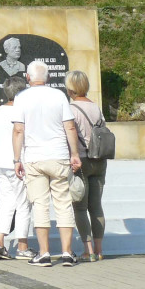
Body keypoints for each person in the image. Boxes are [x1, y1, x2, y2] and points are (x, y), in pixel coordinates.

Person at [12, 60, 82, 267]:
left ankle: (44, 253)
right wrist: (75, 154)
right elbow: (69, 127)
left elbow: (18, 130)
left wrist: (17, 159)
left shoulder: (21, 98)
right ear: (49, 77)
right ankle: (67, 252)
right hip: (59, 155)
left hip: (34, 157)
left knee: (40, 205)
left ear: (27, 77)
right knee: (63, 203)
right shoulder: (59, 96)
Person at [0, 76, 35, 261]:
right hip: (16, 162)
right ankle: (22, 246)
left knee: (7, 202)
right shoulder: (20, 111)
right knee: (23, 203)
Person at [66, 70, 108, 262]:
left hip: (81, 161)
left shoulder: (70, 109)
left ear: (71, 88)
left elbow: (70, 132)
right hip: (100, 160)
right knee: (96, 207)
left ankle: (88, 250)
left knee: (80, 208)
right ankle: (99, 250)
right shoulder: (96, 107)